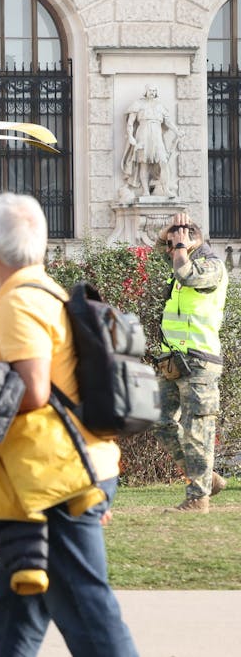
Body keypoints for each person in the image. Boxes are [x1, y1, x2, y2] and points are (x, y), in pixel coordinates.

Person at [0, 193, 136, 657]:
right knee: (15, 612)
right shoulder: (47, 292)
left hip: (57, 484)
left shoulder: (17, 301)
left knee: (89, 616)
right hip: (62, 476)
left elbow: (34, 389)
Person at [152, 212, 229, 512]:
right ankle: (207, 477)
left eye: (176, 245)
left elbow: (187, 274)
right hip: (173, 360)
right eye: (171, 246)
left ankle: (198, 498)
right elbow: (158, 250)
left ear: (192, 242)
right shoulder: (178, 258)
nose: (171, 251)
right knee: (161, 422)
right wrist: (168, 232)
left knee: (197, 427)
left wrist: (181, 245)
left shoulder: (212, 266)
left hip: (199, 361)